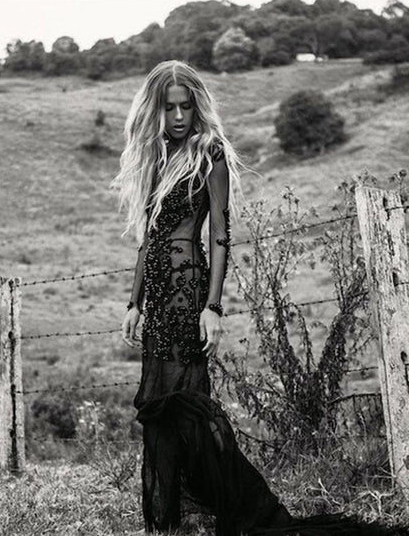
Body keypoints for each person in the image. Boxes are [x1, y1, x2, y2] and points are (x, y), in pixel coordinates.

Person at [110, 60, 407, 536]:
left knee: (185, 406)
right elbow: (149, 239)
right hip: (159, 299)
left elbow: (219, 235)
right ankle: (167, 521)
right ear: (154, 110)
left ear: (198, 107)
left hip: (188, 293)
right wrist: (134, 302)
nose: (179, 117)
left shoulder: (209, 151)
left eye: (186, 106)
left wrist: (212, 307)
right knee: (159, 408)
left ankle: (238, 509)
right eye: (169, 108)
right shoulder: (155, 156)